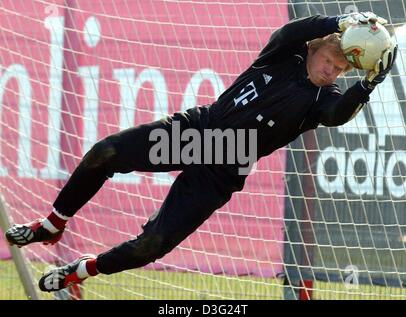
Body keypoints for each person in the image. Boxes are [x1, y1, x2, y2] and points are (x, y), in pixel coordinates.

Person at [4, 12, 397, 292]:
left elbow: (337, 116)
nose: (331, 70)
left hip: (225, 167)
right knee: (104, 153)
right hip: (197, 132)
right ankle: (53, 224)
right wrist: (339, 22)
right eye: (329, 59)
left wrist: (368, 85)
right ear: (314, 50)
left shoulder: (321, 99)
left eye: (340, 68)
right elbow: (290, 30)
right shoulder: (284, 55)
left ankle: (82, 271)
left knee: (150, 246)